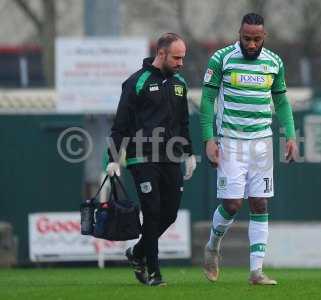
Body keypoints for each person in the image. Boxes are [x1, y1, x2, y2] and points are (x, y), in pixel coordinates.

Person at [200, 13, 297, 285]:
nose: (251, 44)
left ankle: (256, 271)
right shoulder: (222, 59)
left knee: (259, 201)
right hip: (230, 140)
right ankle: (213, 245)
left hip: (262, 142)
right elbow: (207, 100)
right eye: (246, 38)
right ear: (239, 34)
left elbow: (281, 102)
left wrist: (290, 134)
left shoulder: (274, 62)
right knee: (232, 204)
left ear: (264, 37)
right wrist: (209, 138)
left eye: (256, 39)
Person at [106, 33, 196, 286]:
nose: (181, 62)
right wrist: (113, 159)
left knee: (169, 214)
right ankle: (154, 273)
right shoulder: (136, 82)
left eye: (183, 58)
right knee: (152, 212)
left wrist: (189, 153)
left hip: (171, 156)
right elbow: (120, 125)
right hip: (141, 157)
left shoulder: (180, 84)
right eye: (176, 57)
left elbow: (183, 122)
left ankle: (137, 253)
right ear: (161, 54)